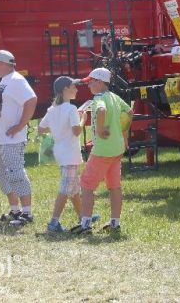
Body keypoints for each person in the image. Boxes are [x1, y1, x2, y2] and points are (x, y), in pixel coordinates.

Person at [71, 67, 131, 234]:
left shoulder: (99, 99)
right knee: (114, 186)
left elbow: (101, 110)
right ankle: (115, 223)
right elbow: (129, 112)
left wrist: (100, 129)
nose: (89, 85)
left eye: (90, 82)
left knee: (87, 185)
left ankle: (86, 224)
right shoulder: (114, 97)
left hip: (103, 150)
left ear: (99, 82)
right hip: (117, 148)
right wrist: (125, 136)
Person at [38, 76, 99, 233]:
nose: (77, 89)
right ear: (65, 89)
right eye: (74, 86)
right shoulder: (71, 109)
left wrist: (57, 129)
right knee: (66, 189)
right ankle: (53, 222)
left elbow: (41, 128)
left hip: (60, 153)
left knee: (73, 190)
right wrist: (83, 118)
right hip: (70, 154)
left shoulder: (52, 110)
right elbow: (76, 131)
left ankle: (83, 217)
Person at [0, 49, 38, 225]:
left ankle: (27, 213)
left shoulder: (16, 80)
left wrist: (20, 125)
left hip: (10, 140)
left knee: (15, 173)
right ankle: (15, 210)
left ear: (4, 63)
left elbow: (31, 100)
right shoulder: (6, 81)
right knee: (2, 174)